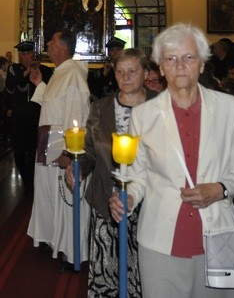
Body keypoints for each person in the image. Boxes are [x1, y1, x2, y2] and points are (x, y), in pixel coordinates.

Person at [110, 23, 234, 298]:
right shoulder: (143, 115)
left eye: (188, 57)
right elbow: (138, 176)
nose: (179, 66)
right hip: (161, 240)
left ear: (201, 64)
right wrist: (127, 198)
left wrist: (220, 189)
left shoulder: (230, 109)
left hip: (219, 234)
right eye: (170, 59)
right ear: (160, 68)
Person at [68, 48, 156, 297]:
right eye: (120, 72)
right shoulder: (101, 107)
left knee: (143, 273)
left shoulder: (161, 106)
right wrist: (78, 167)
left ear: (146, 73)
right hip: (106, 200)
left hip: (149, 206)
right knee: (106, 272)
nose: (125, 77)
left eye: (132, 71)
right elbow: (89, 149)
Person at [27, 30, 91, 267]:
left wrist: (69, 154)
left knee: (65, 198)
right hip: (49, 142)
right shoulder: (61, 73)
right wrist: (40, 85)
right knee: (48, 192)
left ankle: (71, 249)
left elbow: (77, 116)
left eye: (52, 41)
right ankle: (54, 238)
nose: (48, 45)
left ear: (62, 47)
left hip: (62, 147)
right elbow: (54, 103)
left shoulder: (73, 76)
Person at [5, 41, 53, 193]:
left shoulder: (44, 70)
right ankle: (26, 179)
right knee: (18, 152)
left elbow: (48, 90)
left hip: (35, 117)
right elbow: (11, 86)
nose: (25, 56)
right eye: (22, 54)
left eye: (28, 53)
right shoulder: (13, 69)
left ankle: (31, 185)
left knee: (33, 151)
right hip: (19, 117)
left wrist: (36, 70)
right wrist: (26, 71)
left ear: (33, 54)